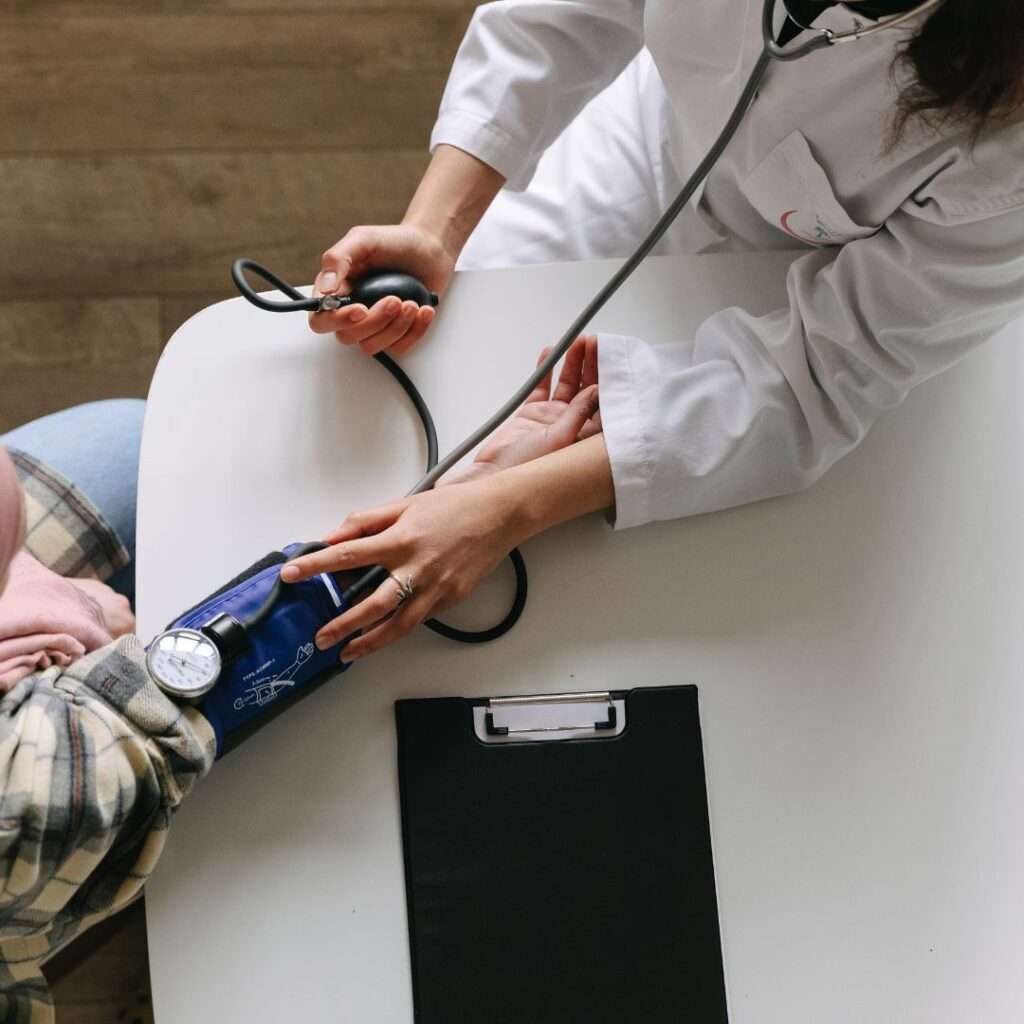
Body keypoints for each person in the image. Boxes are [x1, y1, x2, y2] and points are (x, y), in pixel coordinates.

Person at [278, 0, 1024, 661]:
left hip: (828, 283)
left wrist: (507, 509)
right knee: (425, 390)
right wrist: (435, 230)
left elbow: (820, 377)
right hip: (641, 151)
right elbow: (557, 16)